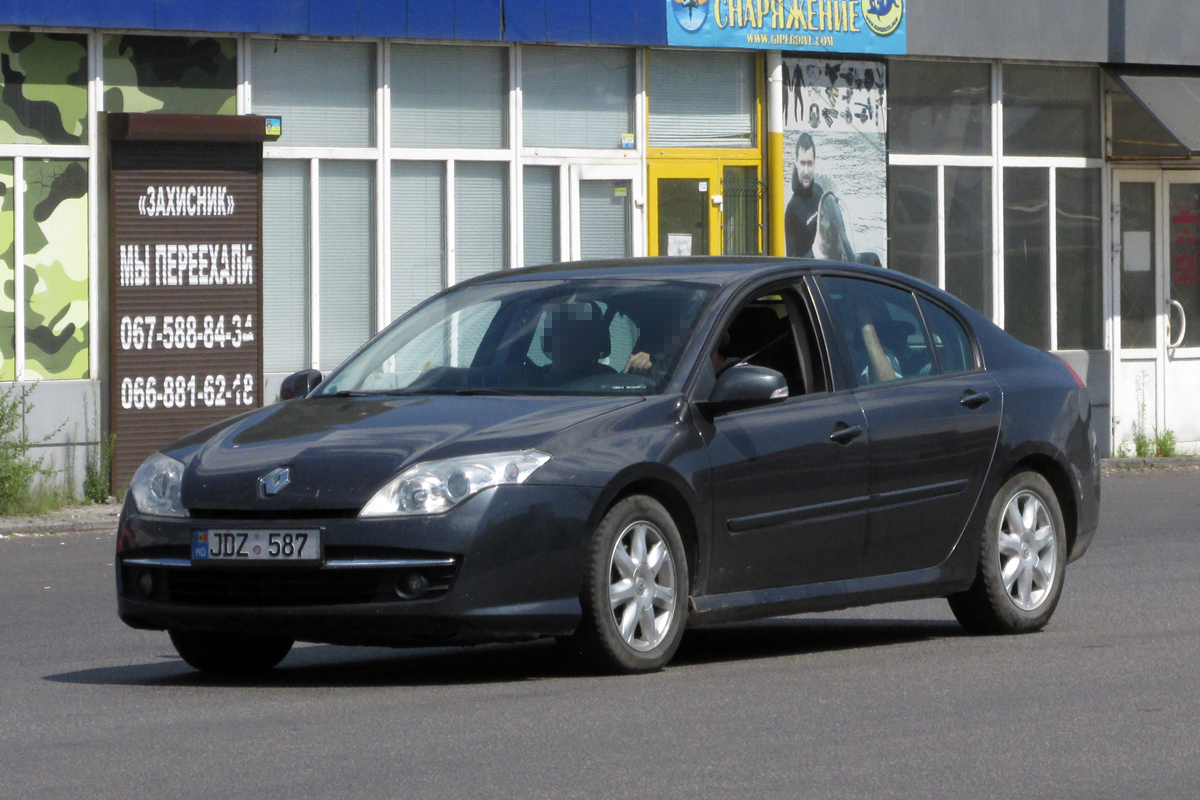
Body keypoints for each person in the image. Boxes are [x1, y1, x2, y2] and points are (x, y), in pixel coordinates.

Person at [784, 133, 824, 258]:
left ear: (815, 163)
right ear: (796, 162)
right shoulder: (792, 209)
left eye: (809, 163)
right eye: (802, 163)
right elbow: (792, 260)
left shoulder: (820, 192)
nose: (806, 171)